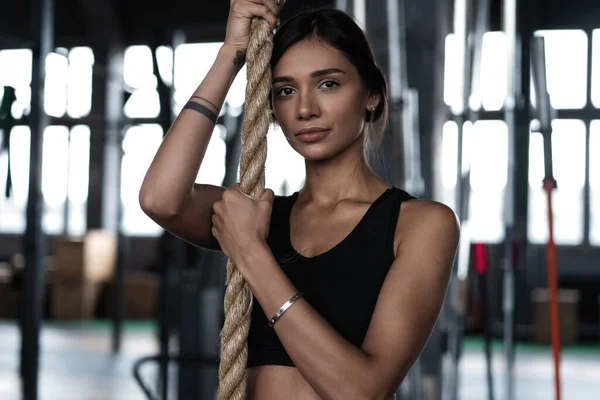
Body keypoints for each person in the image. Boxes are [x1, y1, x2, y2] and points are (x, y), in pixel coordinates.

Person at [139, 1, 460, 399]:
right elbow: (160, 199)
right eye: (286, 91)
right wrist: (230, 54)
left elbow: (361, 392)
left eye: (329, 83)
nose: (305, 109)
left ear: (372, 95)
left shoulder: (420, 224)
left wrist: (252, 254)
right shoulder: (262, 215)